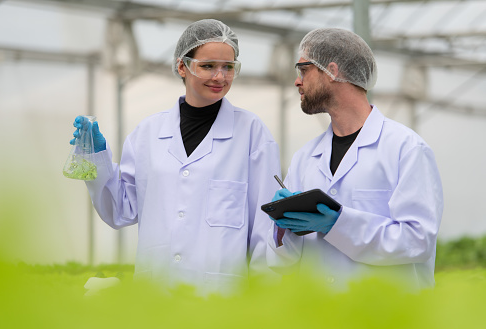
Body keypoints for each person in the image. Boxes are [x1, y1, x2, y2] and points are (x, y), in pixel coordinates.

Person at [70, 19, 281, 296]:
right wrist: (96, 158)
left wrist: (262, 297)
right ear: (182, 66)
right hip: (157, 295)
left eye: (228, 67)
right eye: (208, 66)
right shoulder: (148, 133)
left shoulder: (252, 133)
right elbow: (119, 210)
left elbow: (265, 228)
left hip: (223, 298)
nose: (220, 77)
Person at [266, 27, 444, 291]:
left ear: (333, 71)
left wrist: (339, 223)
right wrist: (284, 230)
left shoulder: (405, 149)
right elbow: (283, 263)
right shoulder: (305, 158)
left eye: (303, 70)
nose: (297, 81)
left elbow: (417, 241)